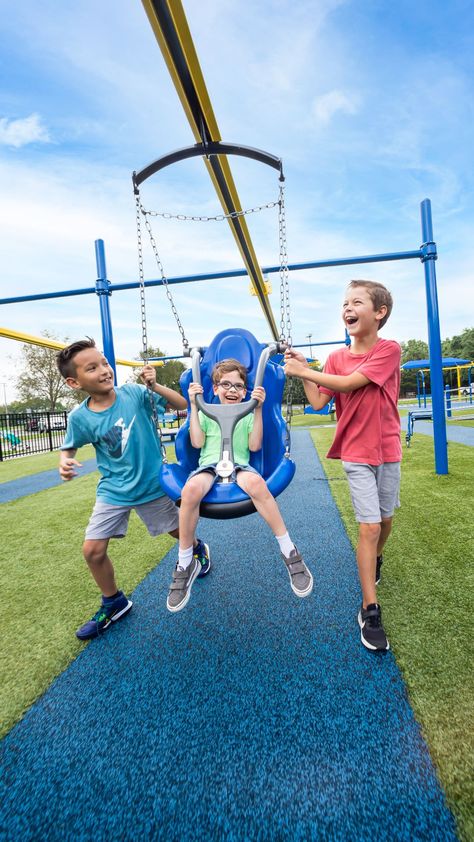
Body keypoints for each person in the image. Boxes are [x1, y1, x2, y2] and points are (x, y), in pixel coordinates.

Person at [56, 338, 210, 640]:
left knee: (180, 533)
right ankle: (114, 602)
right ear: (75, 382)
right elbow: (70, 447)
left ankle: (197, 548)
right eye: (92, 368)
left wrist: (154, 386)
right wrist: (65, 462)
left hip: (152, 484)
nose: (104, 370)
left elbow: (181, 406)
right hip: (113, 490)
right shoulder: (80, 417)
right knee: (92, 550)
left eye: (103, 362)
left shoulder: (135, 394)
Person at [284, 280, 401, 652]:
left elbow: (351, 383)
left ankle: (377, 558)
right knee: (368, 528)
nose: (347, 308)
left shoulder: (389, 350)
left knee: (384, 521)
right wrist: (306, 370)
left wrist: (304, 372)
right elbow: (319, 401)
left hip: (388, 449)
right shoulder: (334, 358)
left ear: (379, 313)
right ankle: (369, 609)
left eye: (357, 302)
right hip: (354, 452)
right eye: (344, 303)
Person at [167, 357, 313, 613]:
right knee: (189, 491)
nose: (233, 390)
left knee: (257, 484)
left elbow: (255, 445)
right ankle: (185, 562)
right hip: (208, 466)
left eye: (238, 386)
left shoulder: (247, 411)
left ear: (245, 390)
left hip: (240, 466)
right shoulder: (205, 411)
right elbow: (198, 443)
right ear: (214, 389)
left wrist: (256, 408)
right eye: (226, 384)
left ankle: (289, 551)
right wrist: (193, 405)